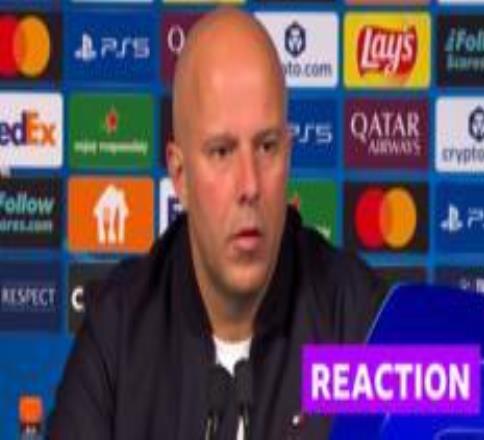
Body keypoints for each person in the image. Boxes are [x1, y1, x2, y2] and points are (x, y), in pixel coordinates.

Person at [48, 7, 385, 439]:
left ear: (288, 155)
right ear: (180, 175)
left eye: (266, 147)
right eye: (222, 152)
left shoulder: (360, 323)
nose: (250, 185)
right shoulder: (119, 332)